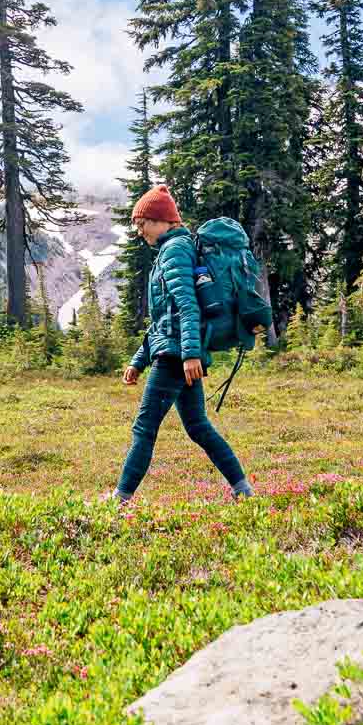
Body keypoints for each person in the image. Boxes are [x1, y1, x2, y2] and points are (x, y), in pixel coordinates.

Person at [111, 185, 257, 503]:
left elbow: (187, 306)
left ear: (162, 220)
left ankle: (120, 500)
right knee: (197, 425)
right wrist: (139, 360)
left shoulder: (175, 249)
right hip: (176, 349)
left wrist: (190, 354)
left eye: (142, 223)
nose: (140, 231)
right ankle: (243, 488)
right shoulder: (173, 249)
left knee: (144, 427)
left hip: (177, 354)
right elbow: (164, 317)